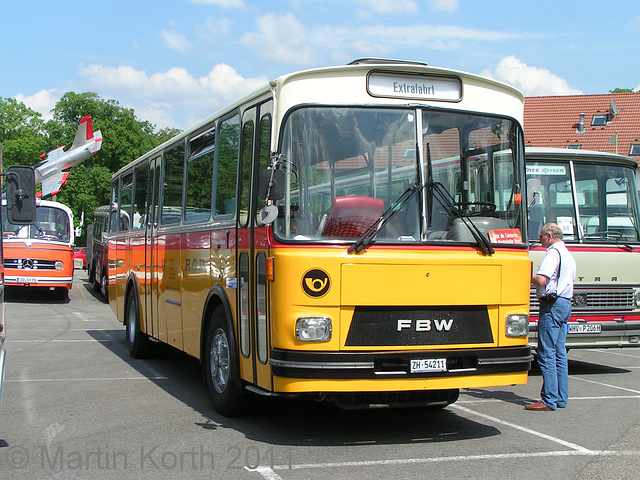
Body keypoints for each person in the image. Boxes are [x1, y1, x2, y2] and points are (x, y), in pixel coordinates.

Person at [525, 222, 576, 411]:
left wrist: (526, 274)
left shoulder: (553, 253)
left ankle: (548, 399)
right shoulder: (568, 254)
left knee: (546, 352)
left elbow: (542, 279)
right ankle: (561, 397)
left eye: (541, 236)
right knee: (560, 352)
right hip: (565, 303)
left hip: (552, 304)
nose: (539, 239)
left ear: (549, 235)